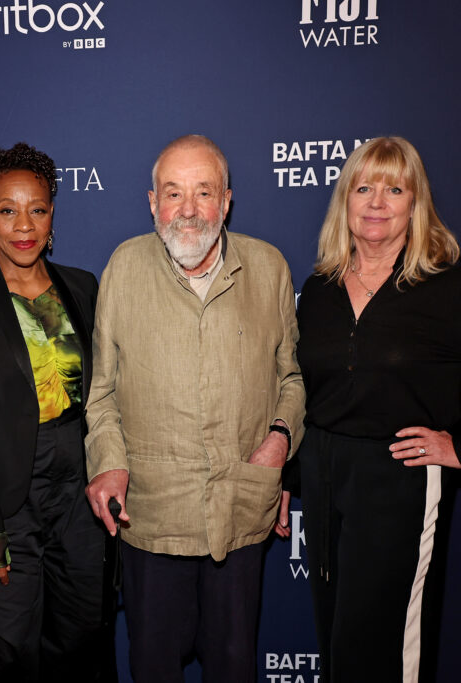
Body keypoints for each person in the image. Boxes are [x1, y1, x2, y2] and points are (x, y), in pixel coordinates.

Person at [293, 136, 461, 683]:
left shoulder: (447, 290)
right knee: (337, 647)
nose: (376, 201)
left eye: (394, 189)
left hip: (399, 481)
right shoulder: (318, 288)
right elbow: (302, 390)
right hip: (321, 477)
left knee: (388, 654)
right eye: (364, 187)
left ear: (416, 205)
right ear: (344, 199)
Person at [84, 134, 305, 682]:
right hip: (152, 514)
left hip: (240, 507)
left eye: (203, 193)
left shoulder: (269, 267)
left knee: (234, 666)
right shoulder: (124, 267)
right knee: (153, 666)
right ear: (152, 202)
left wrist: (279, 440)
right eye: (173, 193)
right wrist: (108, 463)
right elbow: (103, 391)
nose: (188, 210)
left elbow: (292, 378)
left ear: (226, 201)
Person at [0, 142, 113, 682]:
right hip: (4, 494)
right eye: (7, 210)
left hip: (76, 494)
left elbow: (103, 393)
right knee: (5, 645)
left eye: (37, 209)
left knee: (79, 637)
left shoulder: (80, 287)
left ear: (53, 213)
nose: (23, 225)